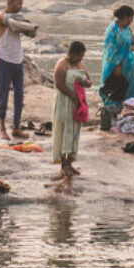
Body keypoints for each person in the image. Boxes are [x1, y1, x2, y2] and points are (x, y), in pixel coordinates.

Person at [0, 0, 38, 140]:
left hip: (17, 59)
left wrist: (28, 26)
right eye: (18, 3)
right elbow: (12, 24)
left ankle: (16, 127)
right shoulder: (1, 16)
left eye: (22, 3)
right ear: (10, 2)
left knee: (19, 95)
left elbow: (32, 35)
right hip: (4, 59)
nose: (21, 6)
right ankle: (2, 128)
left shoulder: (19, 17)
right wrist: (28, 25)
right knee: (4, 93)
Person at [52, 40, 92, 182]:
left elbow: (89, 81)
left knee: (74, 132)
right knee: (64, 132)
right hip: (65, 102)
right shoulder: (62, 64)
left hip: (77, 104)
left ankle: (70, 163)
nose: (81, 58)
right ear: (72, 54)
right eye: (80, 55)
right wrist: (71, 94)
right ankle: (64, 165)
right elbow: (58, 83)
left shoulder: (80, 64)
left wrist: (84, 83)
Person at [100, 5, 134, 115]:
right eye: (130, 18)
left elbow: (132, 41)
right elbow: (110, 48)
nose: (131, 21)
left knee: (129, 87)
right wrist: (116, 65)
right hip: (116, 65)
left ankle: (128, 108)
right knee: (116, 86)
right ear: (123, 16)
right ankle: (112, 110)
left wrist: (133, 46)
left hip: (130, 67)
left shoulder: (128, 29)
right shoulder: (112, 29)